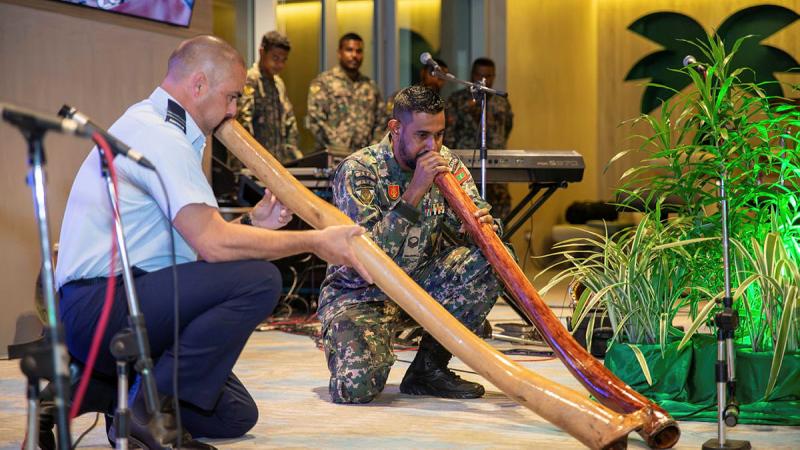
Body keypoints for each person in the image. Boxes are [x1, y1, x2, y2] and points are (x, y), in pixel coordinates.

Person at [54, 35, 371, 448]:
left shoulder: (158, 126)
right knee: (258, 280)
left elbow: (186, 239)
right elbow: (213, 246)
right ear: (199, 85)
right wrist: (315, 241)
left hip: (124, 298)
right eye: (232, 96)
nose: (234, 110)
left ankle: (90, 389)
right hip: (99, 306)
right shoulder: (159, 136)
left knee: (235, 414)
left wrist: (253, 222)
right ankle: (149, 411)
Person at [317, 85, 504, 404]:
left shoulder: (448, 163)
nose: (434, 146)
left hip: (421, 283)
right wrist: (414, 192)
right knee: (356, 390)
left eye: (440, 134)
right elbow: (367, 256)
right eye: (422, 135)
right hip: (363, 293)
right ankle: (372, 345)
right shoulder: (360, 170)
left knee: (492, 259)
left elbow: (477, 220)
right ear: (395, 128)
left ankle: (428, 370)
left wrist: (484, 227)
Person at [444, 57, 514, 218]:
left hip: (496, 166)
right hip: (464, 165)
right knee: (465, 211)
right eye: (479, 75)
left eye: (488, 76)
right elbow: (448, 133)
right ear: (471, 75)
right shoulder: (457, 100)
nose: (484, 80)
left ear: (494, 77)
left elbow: (508, 127)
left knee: (500, 211)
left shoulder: (501, 102)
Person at [305, 32, 388, 153]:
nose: (354, 55)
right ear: (339, 53)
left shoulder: (370, 86)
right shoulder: (323, 83)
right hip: (333, 157)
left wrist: (369, 151)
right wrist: (341, 150)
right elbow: (316, 119)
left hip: (364, 159)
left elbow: (381, 122)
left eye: (359, 51)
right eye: (349, 50)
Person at [237, 30, 302, 165]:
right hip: (254, 164)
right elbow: (243, 124)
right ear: (262, 52)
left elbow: (289, 121)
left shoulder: (278, 84)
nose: (280, 65)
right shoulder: (250, 80)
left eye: (284, 60)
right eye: (275, 58)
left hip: (278, 162)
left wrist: (294, 158)